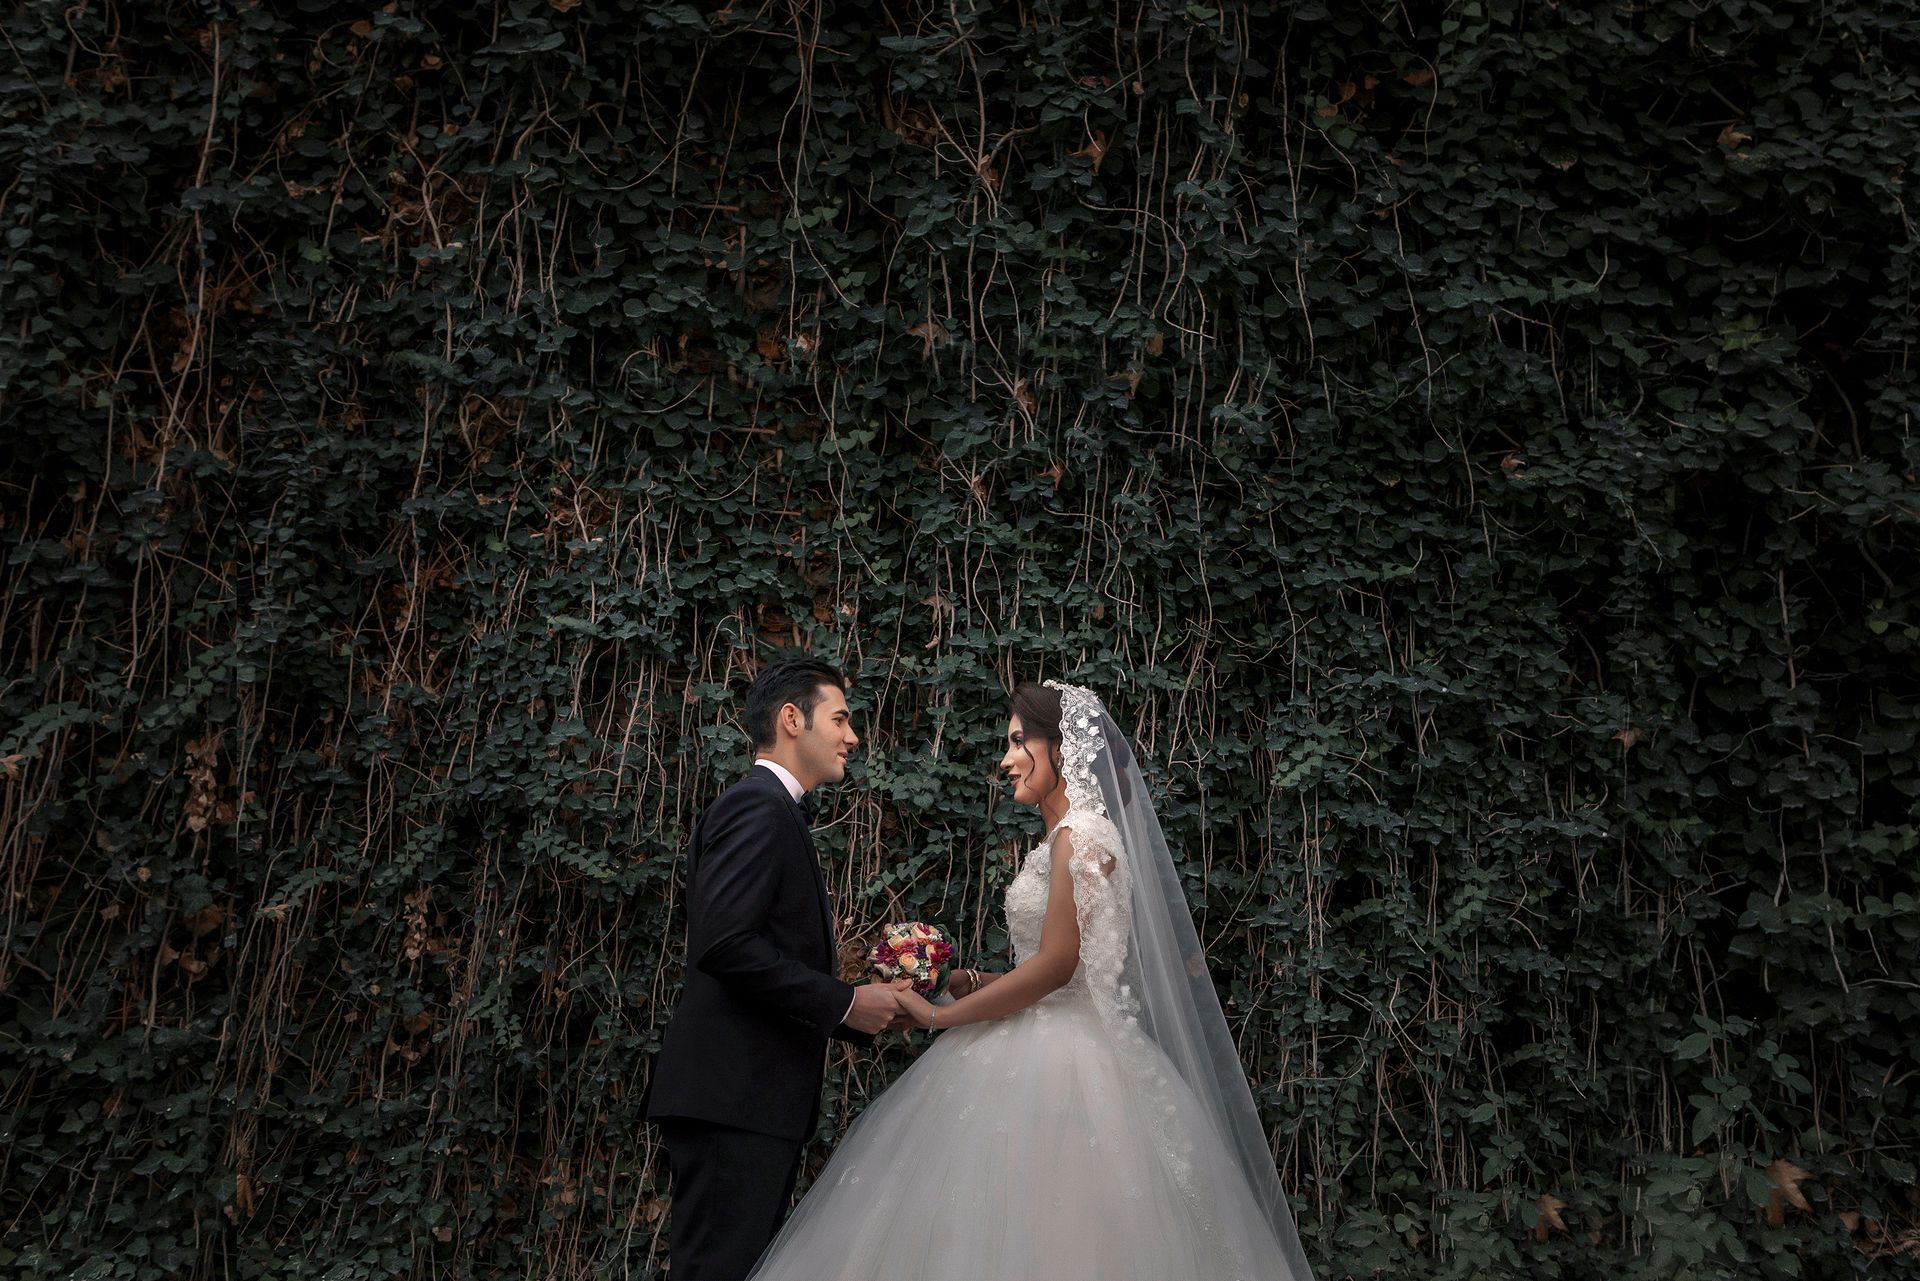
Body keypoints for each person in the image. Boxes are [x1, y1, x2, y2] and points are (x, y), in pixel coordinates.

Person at [742, 677, 1316, 1281]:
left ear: (1061, 749)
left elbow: (1057, 966)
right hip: (1050, 1027)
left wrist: (942, 1016)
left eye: (1019, 742)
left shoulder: (1083, 838)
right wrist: (975, 979)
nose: (1007, 758)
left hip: (1071, 1059)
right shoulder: (1061, 840)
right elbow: (1062, 962)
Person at [644, 658, 910, 1281]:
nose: (852, 737)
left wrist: (860, 1010)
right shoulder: (757, 808)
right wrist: (845, 1003)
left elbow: (758, 951)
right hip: (734, 1098)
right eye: (841, 719)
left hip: (748, 1101)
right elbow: (726, 944)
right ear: (793, 719)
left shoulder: (771, 810)